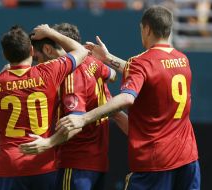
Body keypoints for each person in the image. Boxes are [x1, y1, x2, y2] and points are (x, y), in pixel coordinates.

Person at [57, 6, 200, 190]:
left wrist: (83, 117)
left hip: (155, 161)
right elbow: (151, 73)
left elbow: (127, 97)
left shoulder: (141, 62)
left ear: (146, 29)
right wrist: (108, 58)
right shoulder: (183, 60)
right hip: (188, 158)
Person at [0, 24, 87, 190]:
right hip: (43, 165)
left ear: (4, 55)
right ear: (32, 51)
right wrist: (50, 32)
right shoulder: (49, 72)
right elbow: (81, 51)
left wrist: (2, 74)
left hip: (10, 167)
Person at [19, 23, 128, 190]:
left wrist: (48, 143)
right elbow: (112, 75)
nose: (37, 64)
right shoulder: (92, 62)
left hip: (76, 164)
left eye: (37, 58)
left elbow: (74, 124)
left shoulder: (71, 75)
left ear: (48, 50)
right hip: (98, 163)